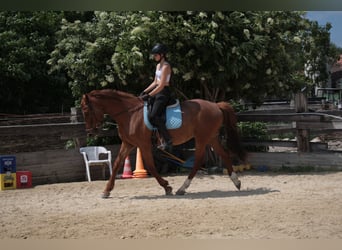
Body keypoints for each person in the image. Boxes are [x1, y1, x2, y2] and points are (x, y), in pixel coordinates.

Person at [140, 43, 173, 152]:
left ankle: (168, 140)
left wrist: (149, 95)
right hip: (157, 91)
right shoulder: (158, 66)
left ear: (162, 55)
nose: (154, 57)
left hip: (163, 92)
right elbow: (155, 82)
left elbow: (162, 84)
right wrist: (144, 91)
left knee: (154, 116)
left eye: (155, 55)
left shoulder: (166, 66)